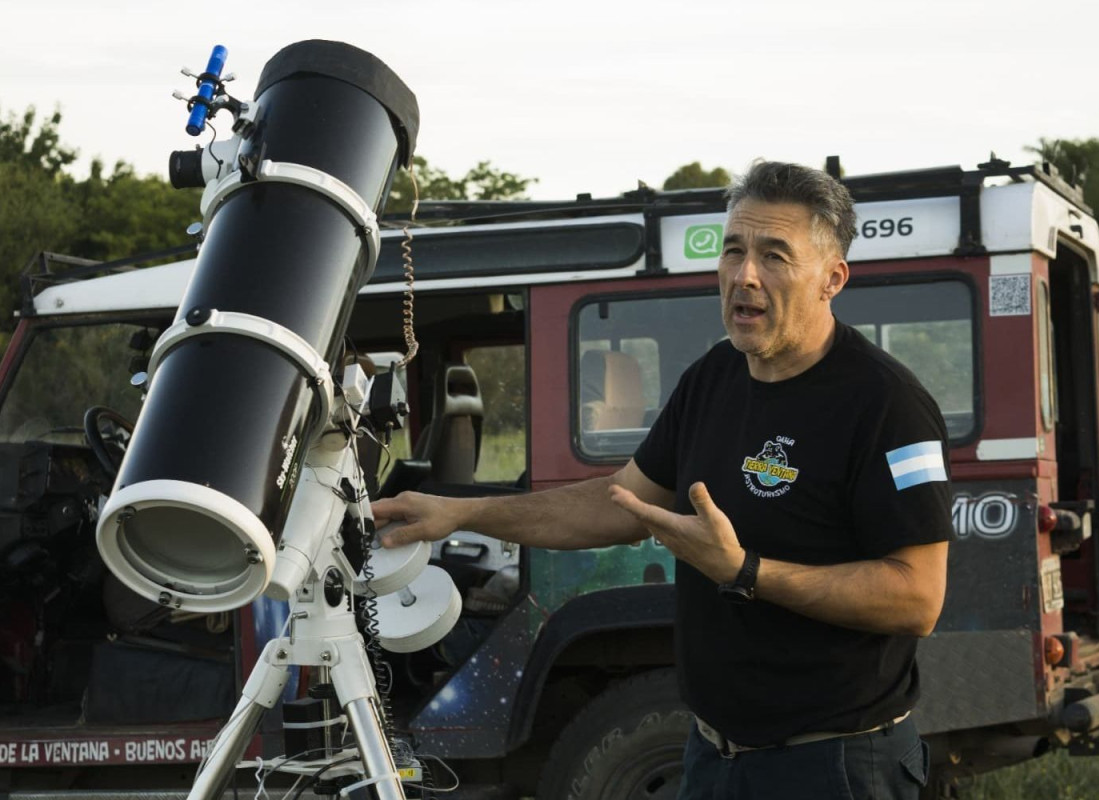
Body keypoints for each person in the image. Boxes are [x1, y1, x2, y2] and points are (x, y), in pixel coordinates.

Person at [372, 160, 953, 799]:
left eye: (775, 256)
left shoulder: (886, 404)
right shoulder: (713, 378)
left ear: (832, 279)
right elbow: (616, 504)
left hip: (835, 766)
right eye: (734, 250)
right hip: (712, 755)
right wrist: (460, 513)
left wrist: (745, 571)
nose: (744, 275)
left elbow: (916, 597)